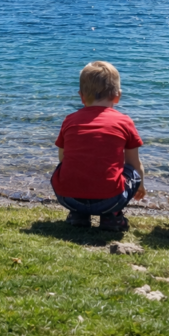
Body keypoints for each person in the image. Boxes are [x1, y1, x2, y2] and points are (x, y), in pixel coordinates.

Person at [51, 61, 146, 231]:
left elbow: (63, 158)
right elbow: (134, 164)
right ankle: (112, 217)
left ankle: (78, 214)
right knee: (132, 172)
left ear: (81, 96)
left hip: (69, 198)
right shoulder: (124, 121)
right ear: (118, 96)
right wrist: (140, 185)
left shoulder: (70, 120)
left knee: (64, 167)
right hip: (110, 201)